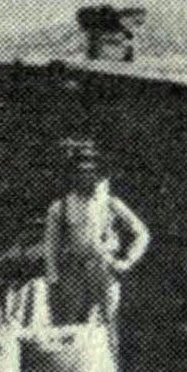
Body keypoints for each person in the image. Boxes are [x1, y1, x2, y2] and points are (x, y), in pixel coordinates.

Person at [42, 140, 149, 330]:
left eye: (92, 170)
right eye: (81, 170)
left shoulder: (110, 203)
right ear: (73, 174)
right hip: (74, 273)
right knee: (72, 328)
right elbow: (51, 245)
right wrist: (53, 278)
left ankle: (110, 350)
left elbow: (141, 233)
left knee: (109, 326)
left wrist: (126, 261)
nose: (87, 175)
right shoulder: (60, 207)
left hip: (105, 270)